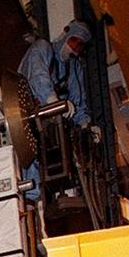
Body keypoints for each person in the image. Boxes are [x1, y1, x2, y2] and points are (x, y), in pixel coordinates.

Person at [17, 20, 91, 198]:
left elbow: (77, 98)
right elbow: (37, 75)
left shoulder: (73, 68)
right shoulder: (42, 48)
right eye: (74, 41)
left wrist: (84, 122)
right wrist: (52, 99)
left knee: (42, 157)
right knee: (25, 156)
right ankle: (25, 194)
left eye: (80, 46)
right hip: (24, 113)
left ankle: (33, 198)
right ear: (66, 34)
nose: (75, 48)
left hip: (47, 122)